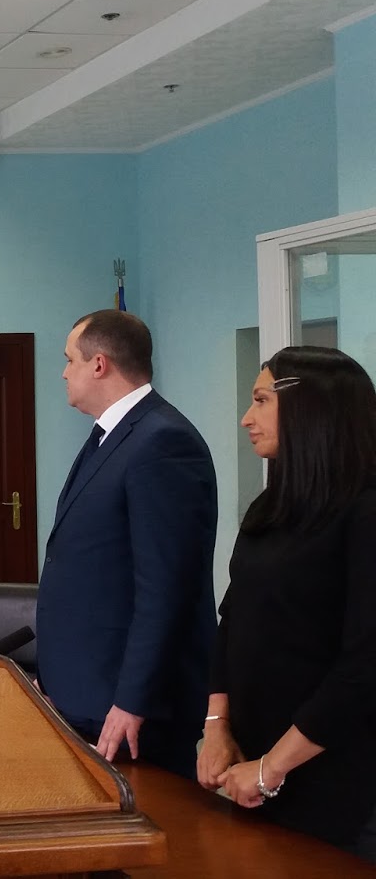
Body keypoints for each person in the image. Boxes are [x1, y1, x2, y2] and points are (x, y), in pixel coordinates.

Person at [197, 346, 376, 860]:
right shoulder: (270, 506)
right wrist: (217, 728)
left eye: (260, 400)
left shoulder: (365, 514)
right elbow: (232, 620)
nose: (245, 418)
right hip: (255, 770)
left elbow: (364, 668)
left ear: (309, 407)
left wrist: (273, 766)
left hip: (337, 782)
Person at [35, 309, 217, 779]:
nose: (63, 373)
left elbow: (166, 588)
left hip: (128, 706)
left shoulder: (163, 441)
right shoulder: (110, 435)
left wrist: (134, 699)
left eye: (69, 360)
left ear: (99, 364)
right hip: (86, 689)